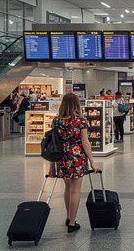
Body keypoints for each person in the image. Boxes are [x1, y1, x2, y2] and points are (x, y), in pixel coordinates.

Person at [48, 93, 99, 233]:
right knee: (76, 189)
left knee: (67, 188)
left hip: (62, 156)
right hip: (77, 156)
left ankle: (68, 215)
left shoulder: (56, 121)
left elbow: (53, 144)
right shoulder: (81, 121)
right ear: (77, 104)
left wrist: (51, 166)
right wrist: (92, 162)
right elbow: (86, 143)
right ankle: (72, 223)